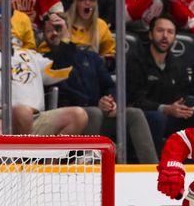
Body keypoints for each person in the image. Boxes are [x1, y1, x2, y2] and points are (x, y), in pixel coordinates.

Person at [40, 12, 158, 163]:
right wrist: (97, 103)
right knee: (93, 112)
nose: (55, 33)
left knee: (134, 113)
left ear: (69, 30)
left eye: (59, 28)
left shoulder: (90, 57)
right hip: (70, 122)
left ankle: (153, 170)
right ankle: (83, 160)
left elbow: (109, 85)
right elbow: (63, 87)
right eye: (49, 30)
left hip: (99, 115)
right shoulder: (44, 59)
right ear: (42, 35)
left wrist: (111, 101)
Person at [0, 6, 88, 135]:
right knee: (22, 112)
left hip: (36, 117)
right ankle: (25, 154)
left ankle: (49, 155)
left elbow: (60, 71)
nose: (2, 26)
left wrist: (65, 36)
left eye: (6, 23)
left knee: (78, 115)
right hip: (4, 117)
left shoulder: (29, 54)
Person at [126, 13, 194, 156]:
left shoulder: (179, 64)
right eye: (160, 31)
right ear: (150, 35)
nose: (165, 36)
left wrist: (185, 108)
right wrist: (165, 109)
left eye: (170, 32)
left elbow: (183, 93)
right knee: (157, 118)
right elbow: (135, 100)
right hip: (146, 118)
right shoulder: (136, 61)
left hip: (172, 116)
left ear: (175, 37)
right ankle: (157, 167)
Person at [60, 0, 116, 69]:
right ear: (74, 3)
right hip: (66, 75)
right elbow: (46, 57)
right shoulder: (61, 25)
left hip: (91, 76)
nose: (87, 3)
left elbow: (111, 57)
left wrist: (102, 60)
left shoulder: (101, 25)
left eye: (92, 0)